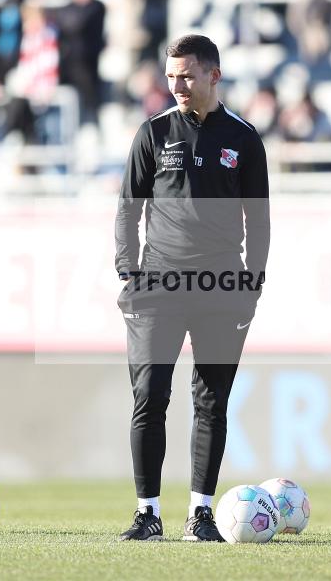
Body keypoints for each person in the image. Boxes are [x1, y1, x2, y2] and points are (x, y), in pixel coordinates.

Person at [113, 34, 270, 542]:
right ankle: (147, 513)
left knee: (211, 400)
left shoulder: (243, 139)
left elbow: (259, 219)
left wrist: (252, 281)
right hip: (157, 284)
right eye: (171, 75)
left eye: (187, 75)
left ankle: (201, 514)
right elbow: (127, 209)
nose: (177, 85)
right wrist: (129, 270)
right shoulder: (153, 134)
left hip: (221, 286)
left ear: (213, 76)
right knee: (150, 395)